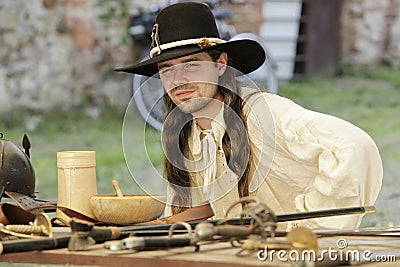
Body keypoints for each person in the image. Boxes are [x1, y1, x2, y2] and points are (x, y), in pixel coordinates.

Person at [116, 2, 383, 229]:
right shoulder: (183, 132)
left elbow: (354, 147)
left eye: (191, 64)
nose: (178, 80)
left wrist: (305, 223)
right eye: (167, 69)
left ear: (220, 64)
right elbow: (208, 207)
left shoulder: (263, 115)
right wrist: (147, 228)